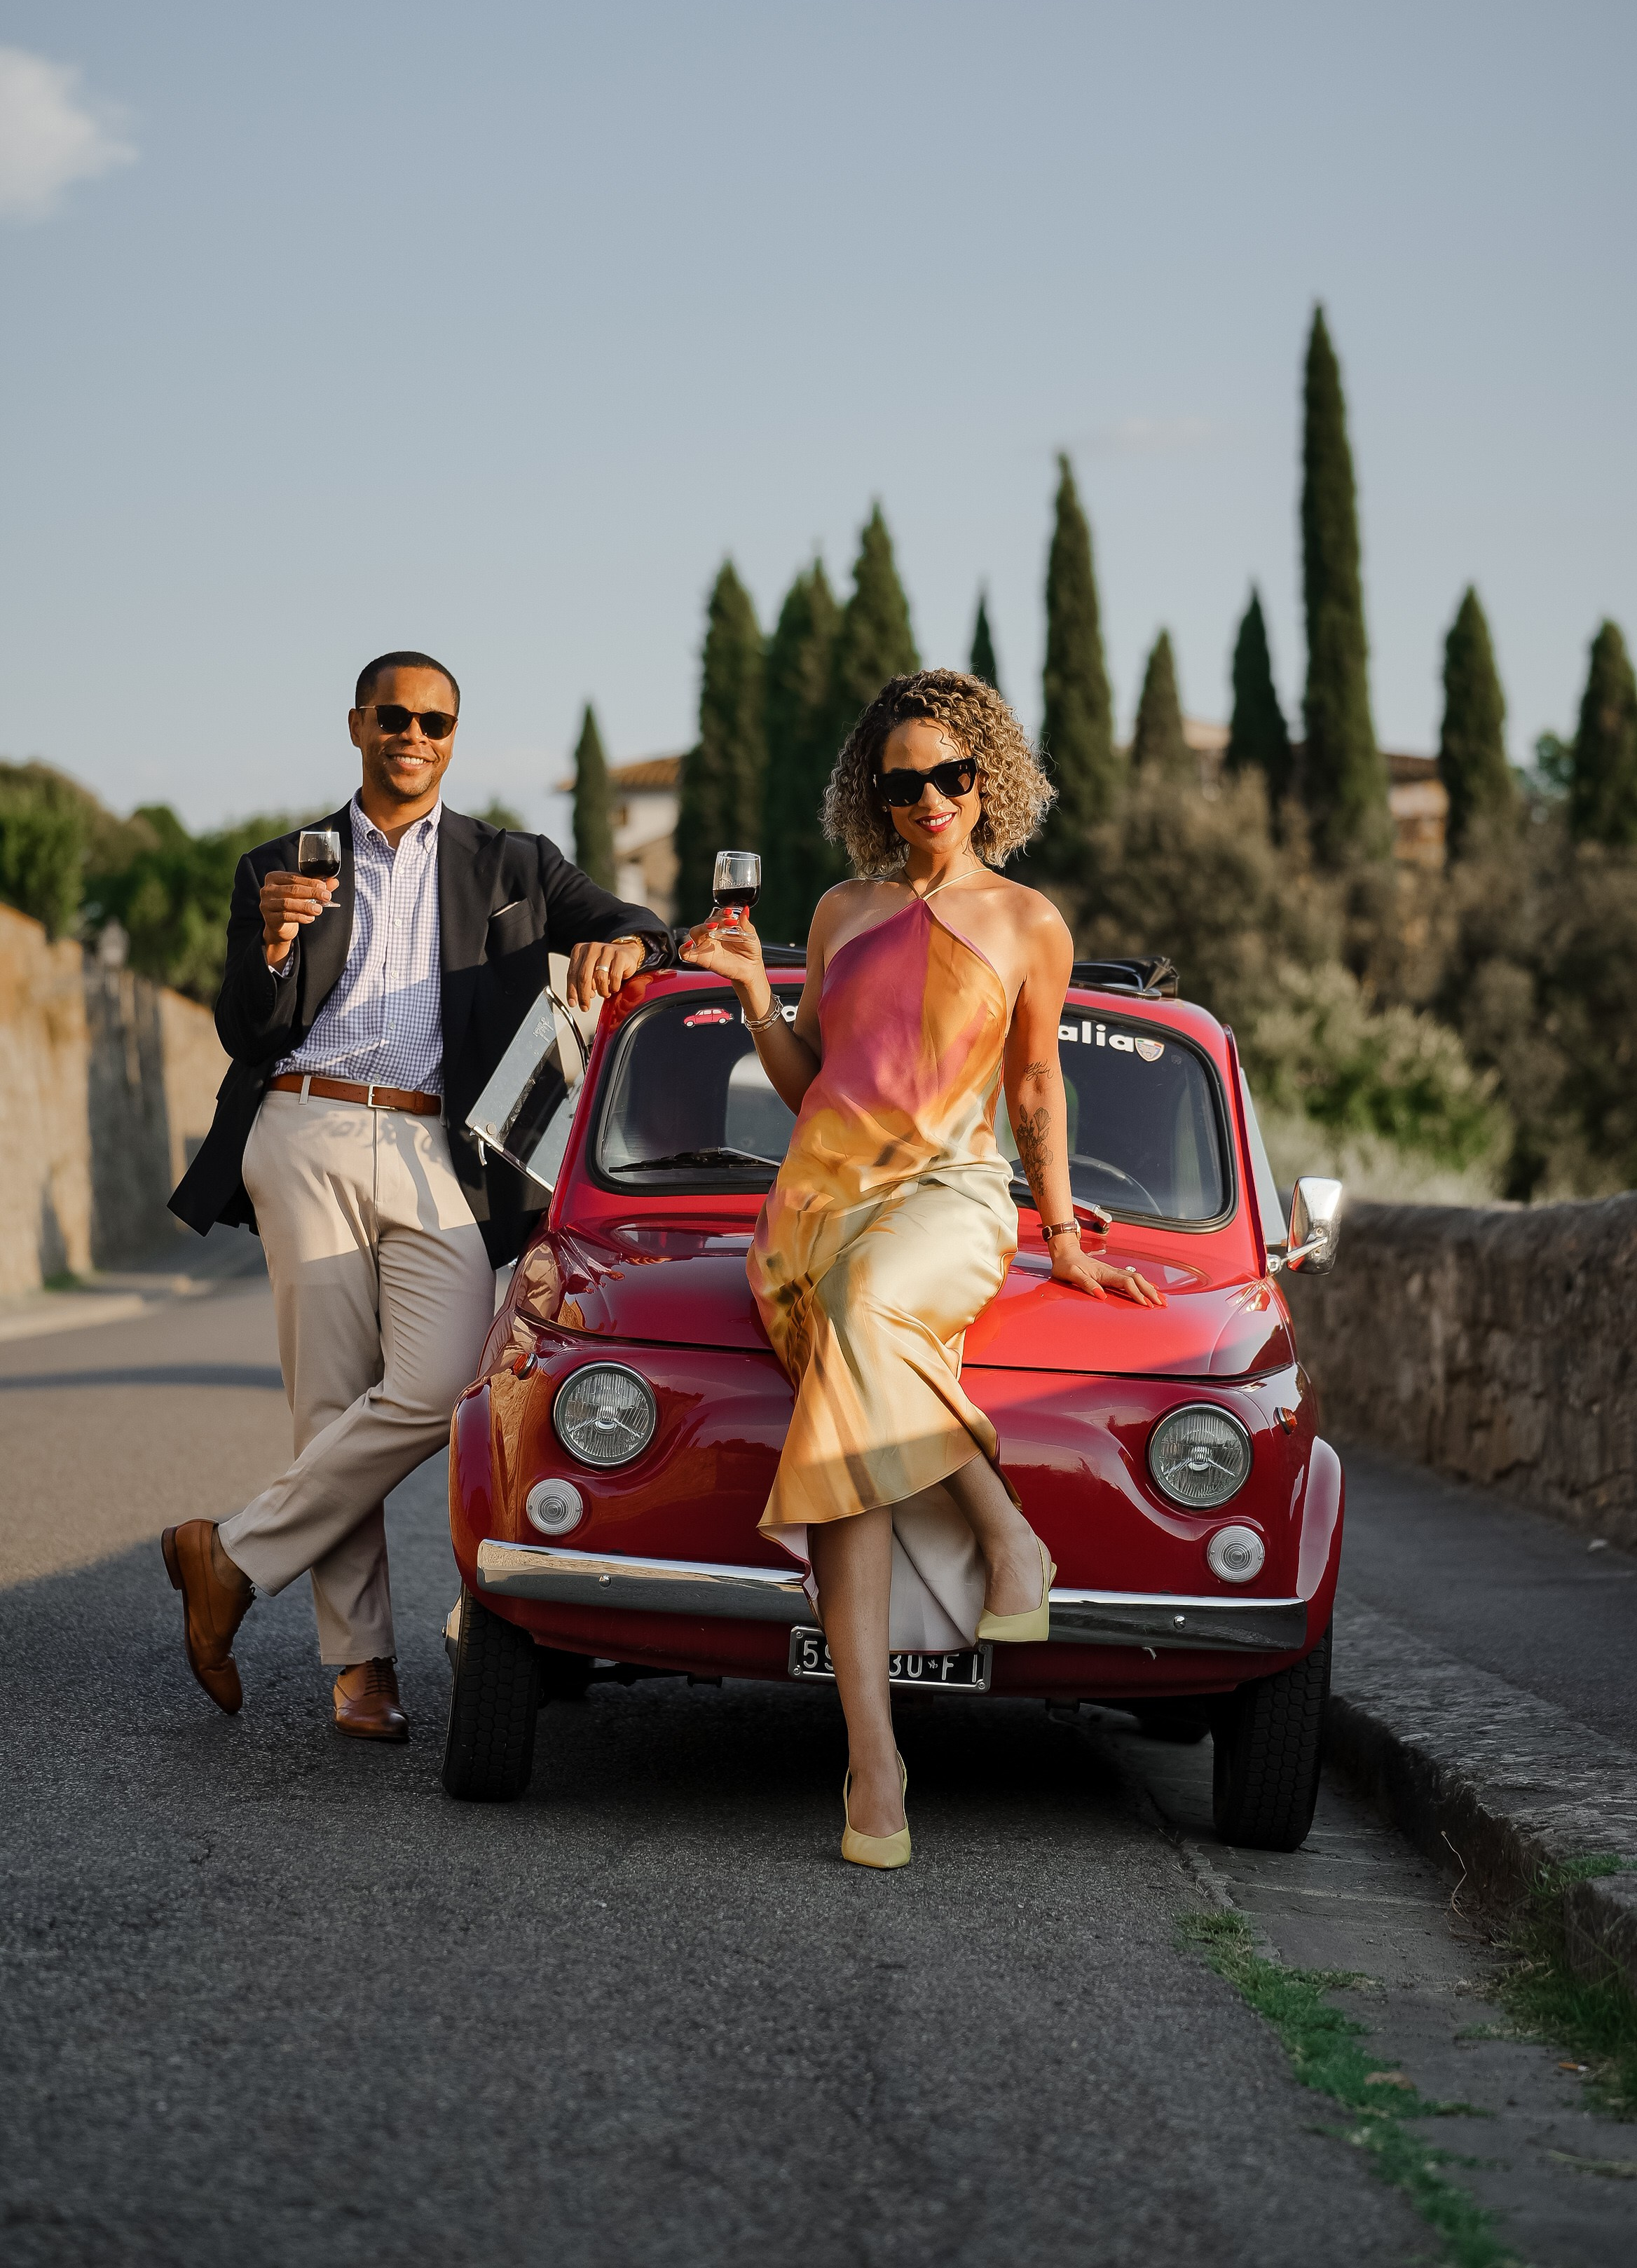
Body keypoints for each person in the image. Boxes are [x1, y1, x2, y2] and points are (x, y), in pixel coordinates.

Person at [681, 669, 1163, 1867]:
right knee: (848, 1423)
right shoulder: (842, 914)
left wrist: (1060, 1234)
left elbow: (1036, 1084)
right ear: (874, 797)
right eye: (902, 785)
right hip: (813, 1204)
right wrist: (754, 996)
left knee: (865, 1315)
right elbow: (810, 1088)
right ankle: (873, 1760)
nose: (929, 799)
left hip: (950, 1196)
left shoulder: (1030, 922)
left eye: (950, 775)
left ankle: (1005, 1541)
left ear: (985, 778)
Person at [164, 650, 669, 1739]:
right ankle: (362, 1670)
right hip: (302, 1124)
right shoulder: (284, 861)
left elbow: (640, 919)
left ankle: (231, 1556)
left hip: (436, 1145)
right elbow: (247, 1030)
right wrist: (271, 938)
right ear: (357, 725)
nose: (414, 735)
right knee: (329, 1402)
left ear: (453, 737)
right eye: (394, 716)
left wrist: (627, 940)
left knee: (447, 1383)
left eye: (436, 721)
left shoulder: (516, 866)